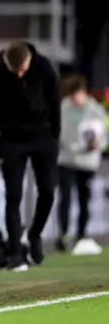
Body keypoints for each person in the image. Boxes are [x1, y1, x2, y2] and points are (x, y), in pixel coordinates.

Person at [0, 40, 60, 272]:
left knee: (47, 191)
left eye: (22, 70)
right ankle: (16, 253)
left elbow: (54, 102)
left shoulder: (44, 67)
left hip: (43, 138)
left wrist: (54, 136)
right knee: (13, 195)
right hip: (11, 142)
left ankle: (34, 234)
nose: (19, 74)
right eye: (14, 71)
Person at [56, 74, 107, 251]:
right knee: (66, 198)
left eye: (77, 94)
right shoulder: (63, 109)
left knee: (85, 200)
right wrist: (73, 146)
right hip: (66, 160)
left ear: (84, 92)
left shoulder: (96, 110)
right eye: (72, 95)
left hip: (87, 162)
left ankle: (81, 235)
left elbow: (104, 135)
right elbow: (58, 133)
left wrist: (97, 144)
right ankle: (63, 236)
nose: (75, 99)